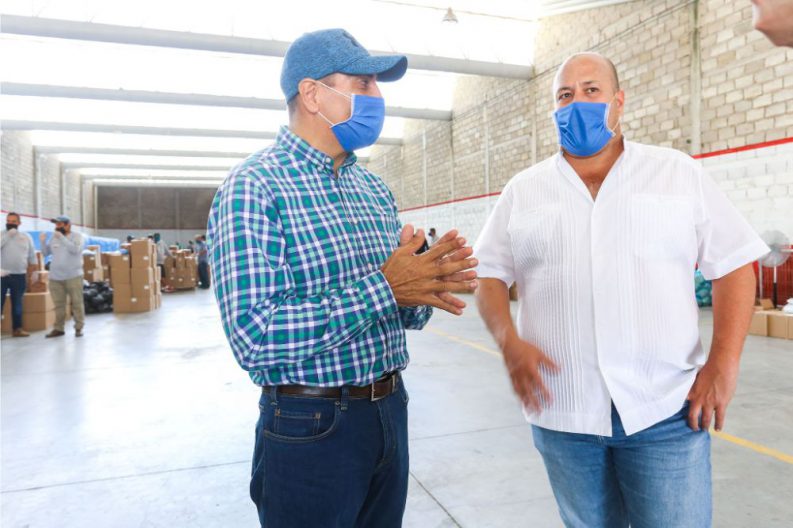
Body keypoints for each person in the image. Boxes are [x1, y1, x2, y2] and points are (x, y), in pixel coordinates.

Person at [474, 52, 769, 528]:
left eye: (591, 90)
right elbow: (488, 274)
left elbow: (734, 263)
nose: (577, 103)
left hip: (665, 409)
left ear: (619, 101)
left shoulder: (675, 173)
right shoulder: (523, 191)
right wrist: (509, 341)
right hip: (563, 412)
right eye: (564, 95)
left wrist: (723, 363)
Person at [207, 28, 478, 528]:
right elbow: (255, 336)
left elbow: (398, 311)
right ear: (313, 94)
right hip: (310, 426)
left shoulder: (372, 189)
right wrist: (386, 287)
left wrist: (426, 281)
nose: (378, 98)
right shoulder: (254, 187)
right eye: (363, 83)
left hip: (389, 409)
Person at [40, 216, 86, 338]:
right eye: (56, 224)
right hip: (56, 277)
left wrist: (62, 238)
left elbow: (76, 250)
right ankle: (58, 328)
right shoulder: (54, 237)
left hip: (73, 276)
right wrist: (43, 242)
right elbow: (46, 253)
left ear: (68, 225)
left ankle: (78, 328)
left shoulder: (77, 236)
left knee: (77, 303)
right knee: (59, 304)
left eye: (60, 224)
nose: (57, 227)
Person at [1, 212, 37, 337]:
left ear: (19, 223)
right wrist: (7, 236)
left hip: (19, 275)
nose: (10, 223)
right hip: (2, 275)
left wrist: (34, 271)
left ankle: (17, 329)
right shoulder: (1, 234)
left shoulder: (26, 237)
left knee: (17, 304)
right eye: (8, 221)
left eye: (13, 221)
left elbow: (32, 255)